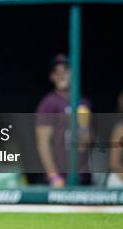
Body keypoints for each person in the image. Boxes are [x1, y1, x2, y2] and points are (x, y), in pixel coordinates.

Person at [35, 54, 92, 188]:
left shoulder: (84, 102)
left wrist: (83, 126)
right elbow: (42, 143)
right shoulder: (48, 103)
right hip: (59, 178)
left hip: (82, 175)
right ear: (51, 76)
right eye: (57, 72)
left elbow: (85, 144)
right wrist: (53, 175)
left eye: (65, 70)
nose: (61, 75)